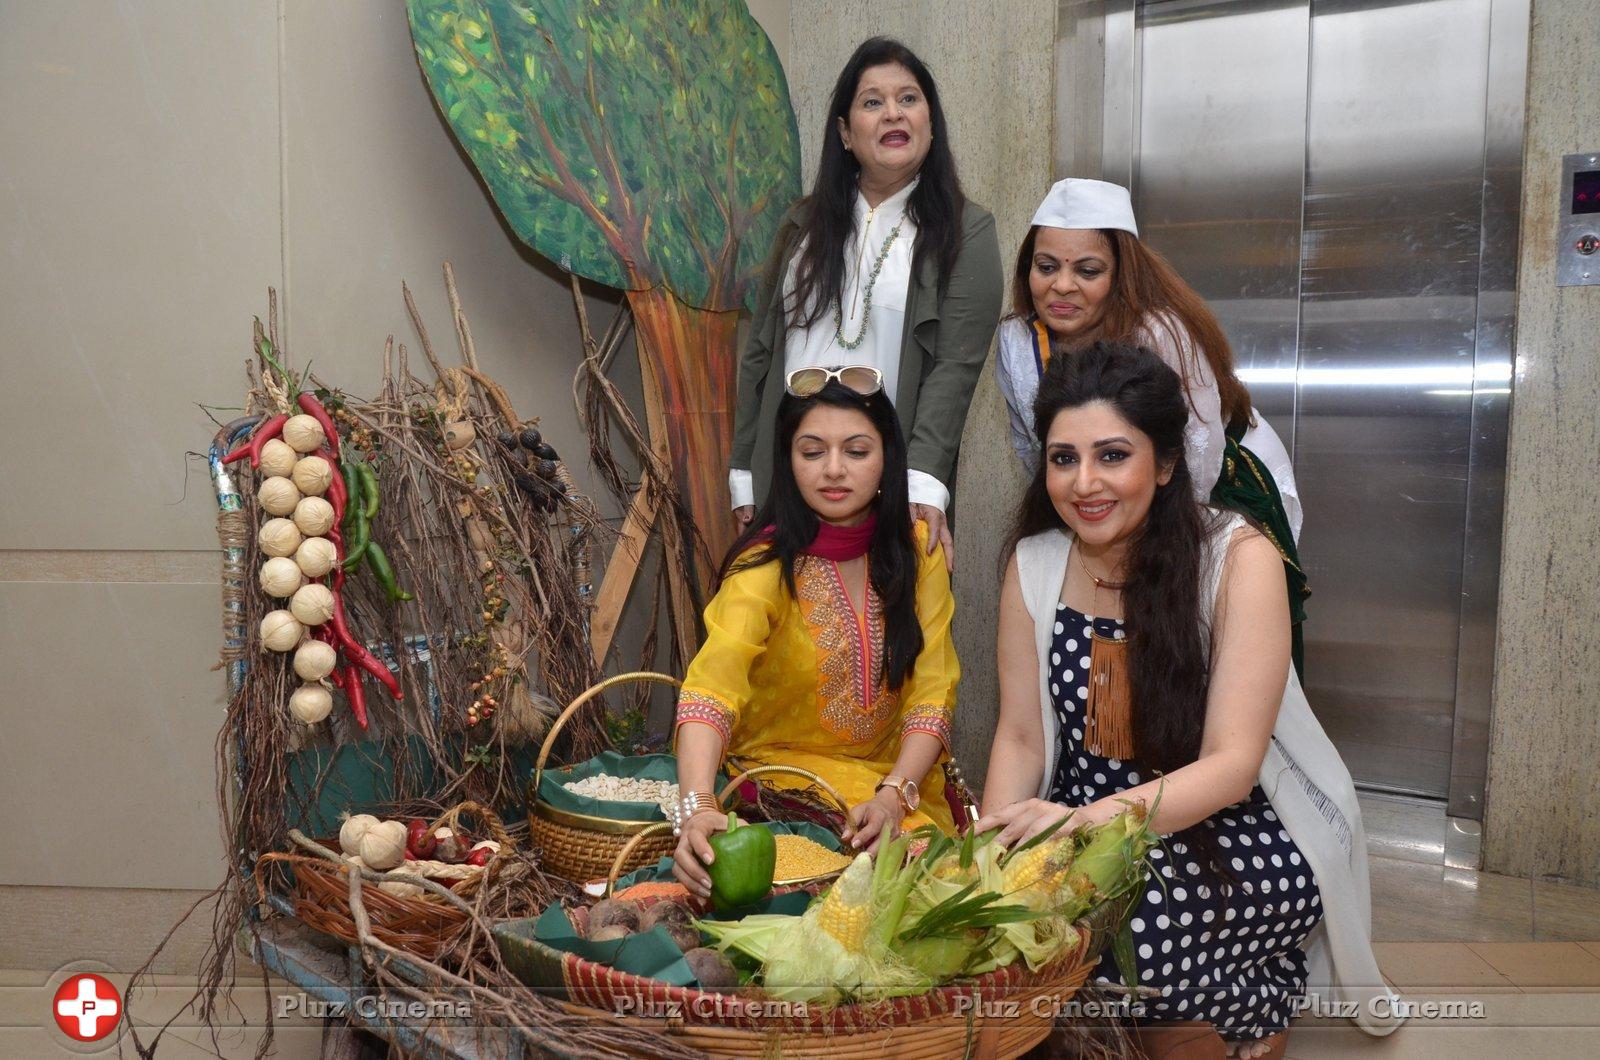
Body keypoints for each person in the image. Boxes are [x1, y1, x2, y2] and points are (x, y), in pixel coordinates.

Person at [978, 343, 1398, 1059]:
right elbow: (1020, 738)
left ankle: (1244, 1002)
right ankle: (1225, 1010)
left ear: (1166, 464)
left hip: (1228, 828)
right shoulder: (1035, 561)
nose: (1084, 483)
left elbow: (1233, 767)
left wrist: (1079, 826)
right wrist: (988, 853)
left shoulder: (1238, 559)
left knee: (1124, 917)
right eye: (1063, 458)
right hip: (1085, 825)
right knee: (1011, 926)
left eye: (1113, 456)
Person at [995, 179, 1308, 675]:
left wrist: (1161, 550)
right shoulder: (1016, 338)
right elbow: (1032, 444)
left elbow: (1194, 457)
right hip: (1111, 499)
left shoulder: (1160, 332)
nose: (1062, 286)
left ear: (1122, 275)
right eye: (1046, 266)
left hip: (1210, 494)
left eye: (1088, 270)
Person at [672, 373, 961, 900]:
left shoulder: (920, 551)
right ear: (787, 462)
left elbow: (934, 688)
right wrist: (698, 805)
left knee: (940, 881)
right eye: (812, 452)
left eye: (856, 450)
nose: (833, 470)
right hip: (783, 780)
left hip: (900, 784)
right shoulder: (762, 564)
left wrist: (896, 792)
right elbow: (712, 687)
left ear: (888, 458)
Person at [729, 37, 1003, 572]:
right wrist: (745, 470)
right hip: (789, 478)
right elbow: (759, 354)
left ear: (930, 123)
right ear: (845, 133)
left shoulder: (968, 231)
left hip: (891, 487)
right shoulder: (800, 225)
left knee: (883, 642)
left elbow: (956, 368)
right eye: (872, 101)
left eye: (909, 98)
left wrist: (922, 483)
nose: (893, 113)